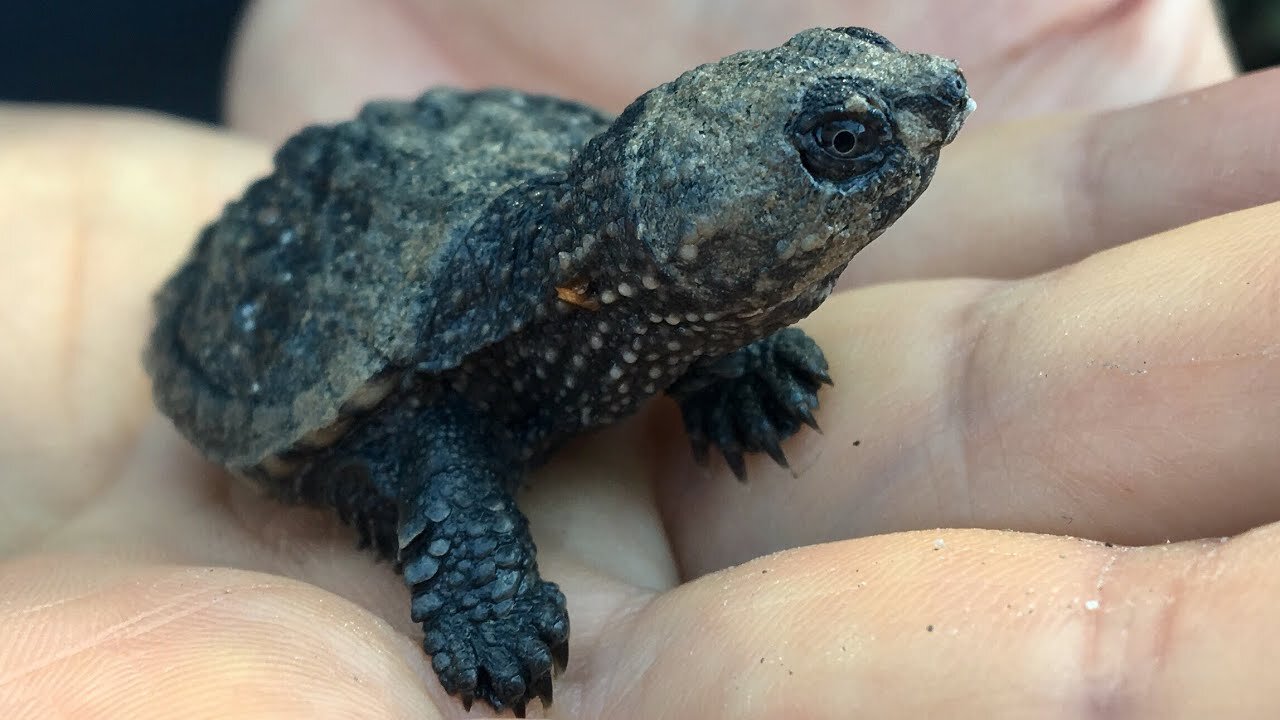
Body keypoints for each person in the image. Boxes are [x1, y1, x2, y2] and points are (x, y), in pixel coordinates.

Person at [3, 2, 1278, 716]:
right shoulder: (545, 323)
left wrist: (729, 350)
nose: (931, 104)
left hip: (525, 178)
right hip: (360, 346)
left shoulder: (655, 284)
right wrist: (479, 599)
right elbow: (435, 450)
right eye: (841, 137)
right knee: (430, 467)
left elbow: (692, 295)